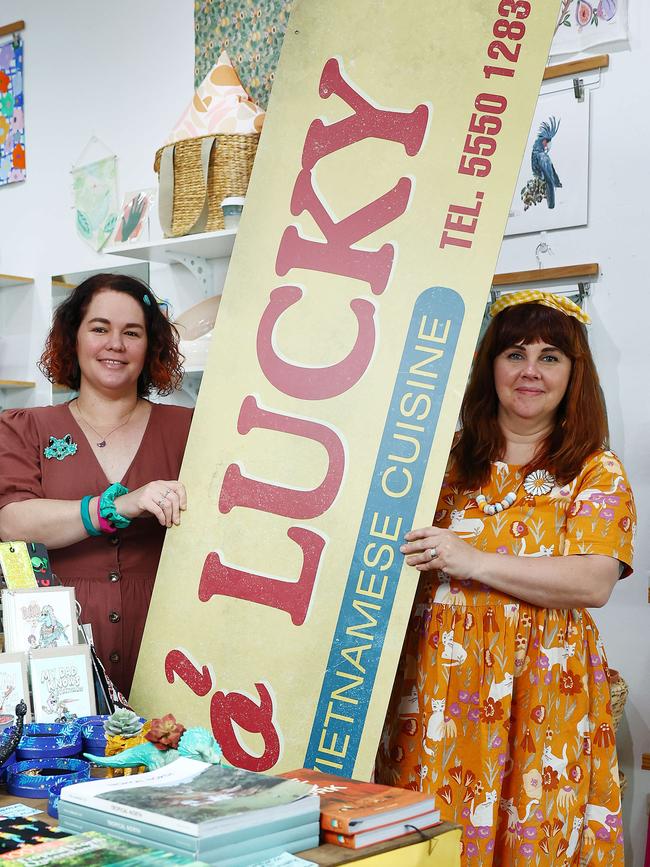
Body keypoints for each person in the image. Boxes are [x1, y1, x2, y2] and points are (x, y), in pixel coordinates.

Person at [376, 291, 635, 866]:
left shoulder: (595, 467)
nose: (530, 372)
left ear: (575, 374)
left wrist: (470, 560)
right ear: (489, 363)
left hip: (543, 691)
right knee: (432, 837)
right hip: (436, 687)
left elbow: (593, 581)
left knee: (538, 833)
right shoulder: (437, 457)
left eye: (551, 357)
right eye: (515, 353)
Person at [0, 273, 193, 697]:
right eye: (100, 328)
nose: (116, 345)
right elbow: (13, 523)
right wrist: (119, 506)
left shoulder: (191, 429)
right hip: (60, 651)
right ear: (73, 339)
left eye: (132, 332)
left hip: (175, 648)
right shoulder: (27, 428)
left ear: (151, 346)